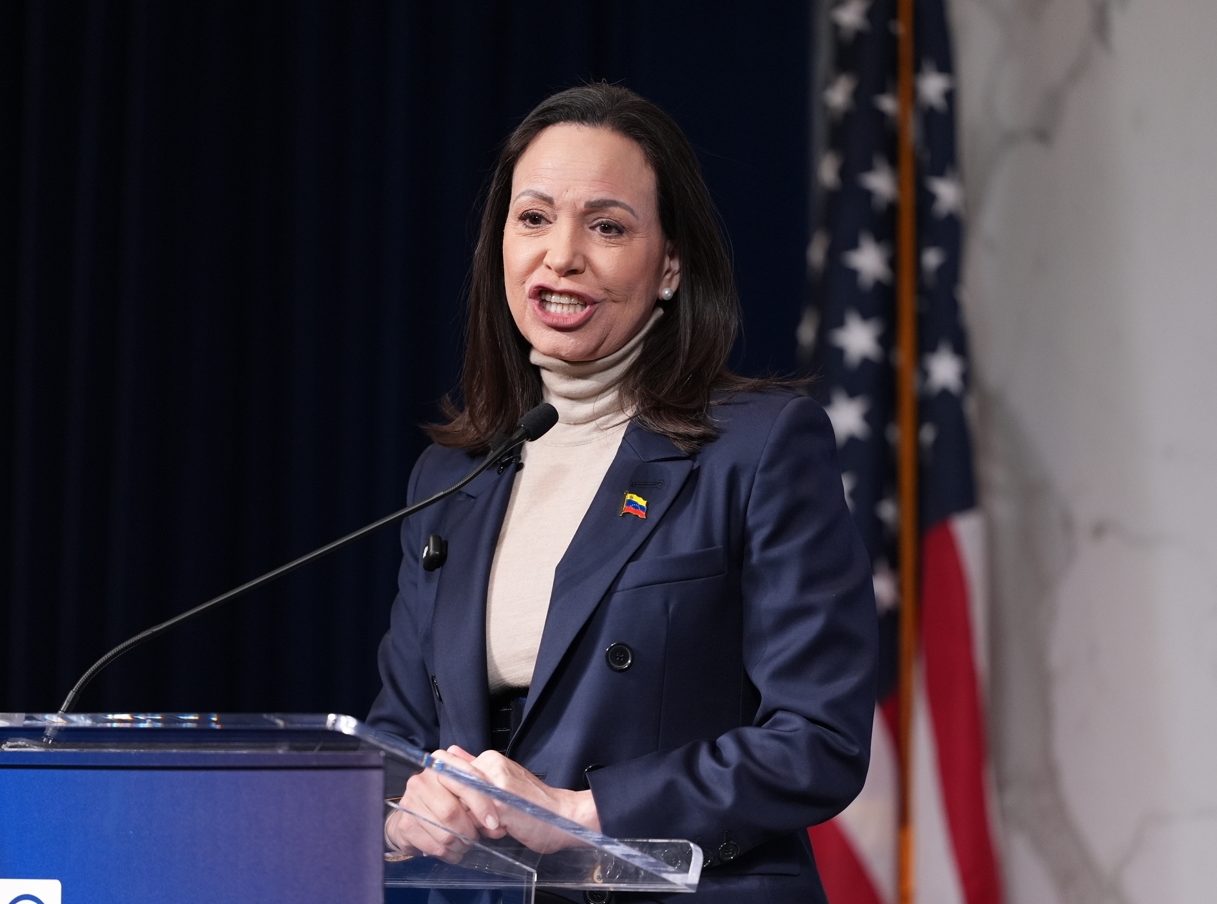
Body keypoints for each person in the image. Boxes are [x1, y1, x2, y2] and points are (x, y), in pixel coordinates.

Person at [367, 83, 877, 903]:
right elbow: (399, 732)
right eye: (533, 218)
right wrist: (404, 811)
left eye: (606, 226)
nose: (561, 255)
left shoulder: (757, 447)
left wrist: (583, 811)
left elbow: (817, 740)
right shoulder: (451, 479)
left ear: (670, 264)